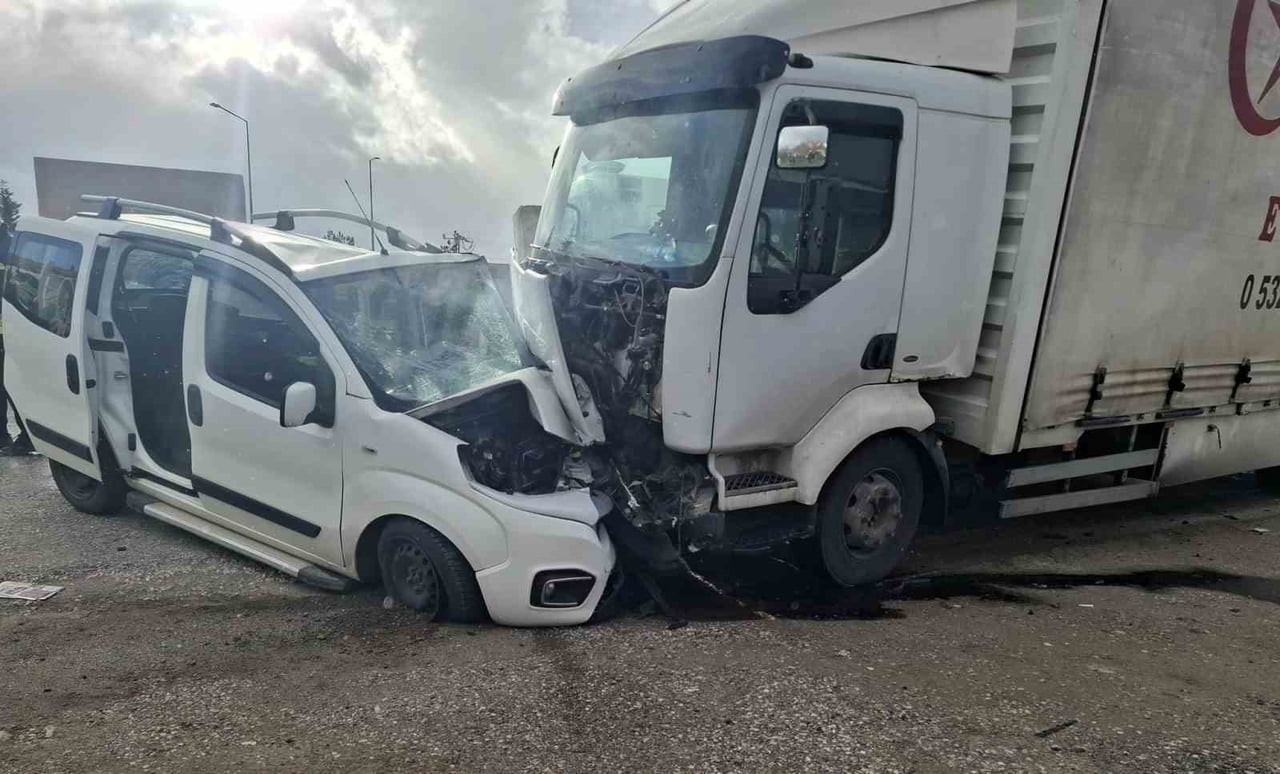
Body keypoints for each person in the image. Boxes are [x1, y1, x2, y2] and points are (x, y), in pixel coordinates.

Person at [0, 227, 35, 456]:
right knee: (16, 388)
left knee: (10, 389)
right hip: (19, 331)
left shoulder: (11, 250)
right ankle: (26, 437)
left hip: (10, 333)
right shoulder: (19, 247)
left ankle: (9, 440)